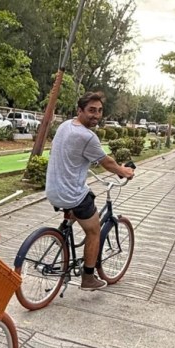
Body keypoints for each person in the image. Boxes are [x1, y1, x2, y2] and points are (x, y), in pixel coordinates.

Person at [45, 91, 135, 291]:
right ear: (80, 110)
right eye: (91, 110)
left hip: (52, 190)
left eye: (99, 111)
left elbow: (76, 156)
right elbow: (108, 163)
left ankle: (66, 229)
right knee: (94, 231)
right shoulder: (87, 136)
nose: (96, 115)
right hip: (71, 194)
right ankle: (88, 278)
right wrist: (124, 172)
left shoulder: (65, 125)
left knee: (87, 194)